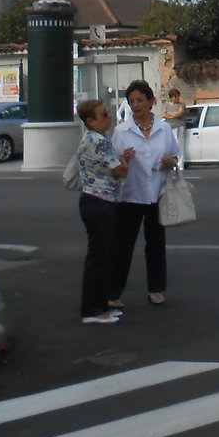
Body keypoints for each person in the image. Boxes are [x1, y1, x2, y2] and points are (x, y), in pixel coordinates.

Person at [110, 80, 182, 307]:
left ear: (151, 101)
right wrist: (124, 159)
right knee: (123, 246)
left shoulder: (164, 128)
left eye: (140, 100)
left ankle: (156, 289)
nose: (136, 105)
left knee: (156, 244)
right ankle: (114, 293)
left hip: (157, 193)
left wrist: (171, 161)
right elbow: (111, 164)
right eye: (131, 101)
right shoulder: (121, 131)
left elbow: (177, 156)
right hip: (130, 195)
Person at [75, 99, 129, 324]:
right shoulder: (99, 141)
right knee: (99, 257)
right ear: (90, 121)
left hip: (95, 200)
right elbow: (121, 171)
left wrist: (122, 161)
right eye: (104, 115)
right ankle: (93, 310)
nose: (109, 117)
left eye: (108, 113)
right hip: (100, 201)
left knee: (103, 255)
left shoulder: (92, 139)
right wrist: (125, 162)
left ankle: (101, 304)